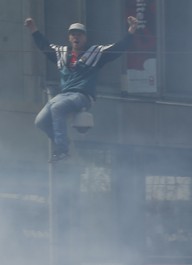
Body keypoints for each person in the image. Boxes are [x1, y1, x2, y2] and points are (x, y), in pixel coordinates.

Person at [24, 15, 142, 161]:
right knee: (40, 121)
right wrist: (33, 29)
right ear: (69, 38)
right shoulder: (61, 53)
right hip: (64, 95)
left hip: (83, 96)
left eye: (79, 34)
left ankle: (62, 149)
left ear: (85, 38)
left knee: (57, 108)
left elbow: (118, 48)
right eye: (73, 34)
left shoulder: (96, 53)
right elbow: (44, 46)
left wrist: (131, 30)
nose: (76, 37)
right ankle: (64, 141)